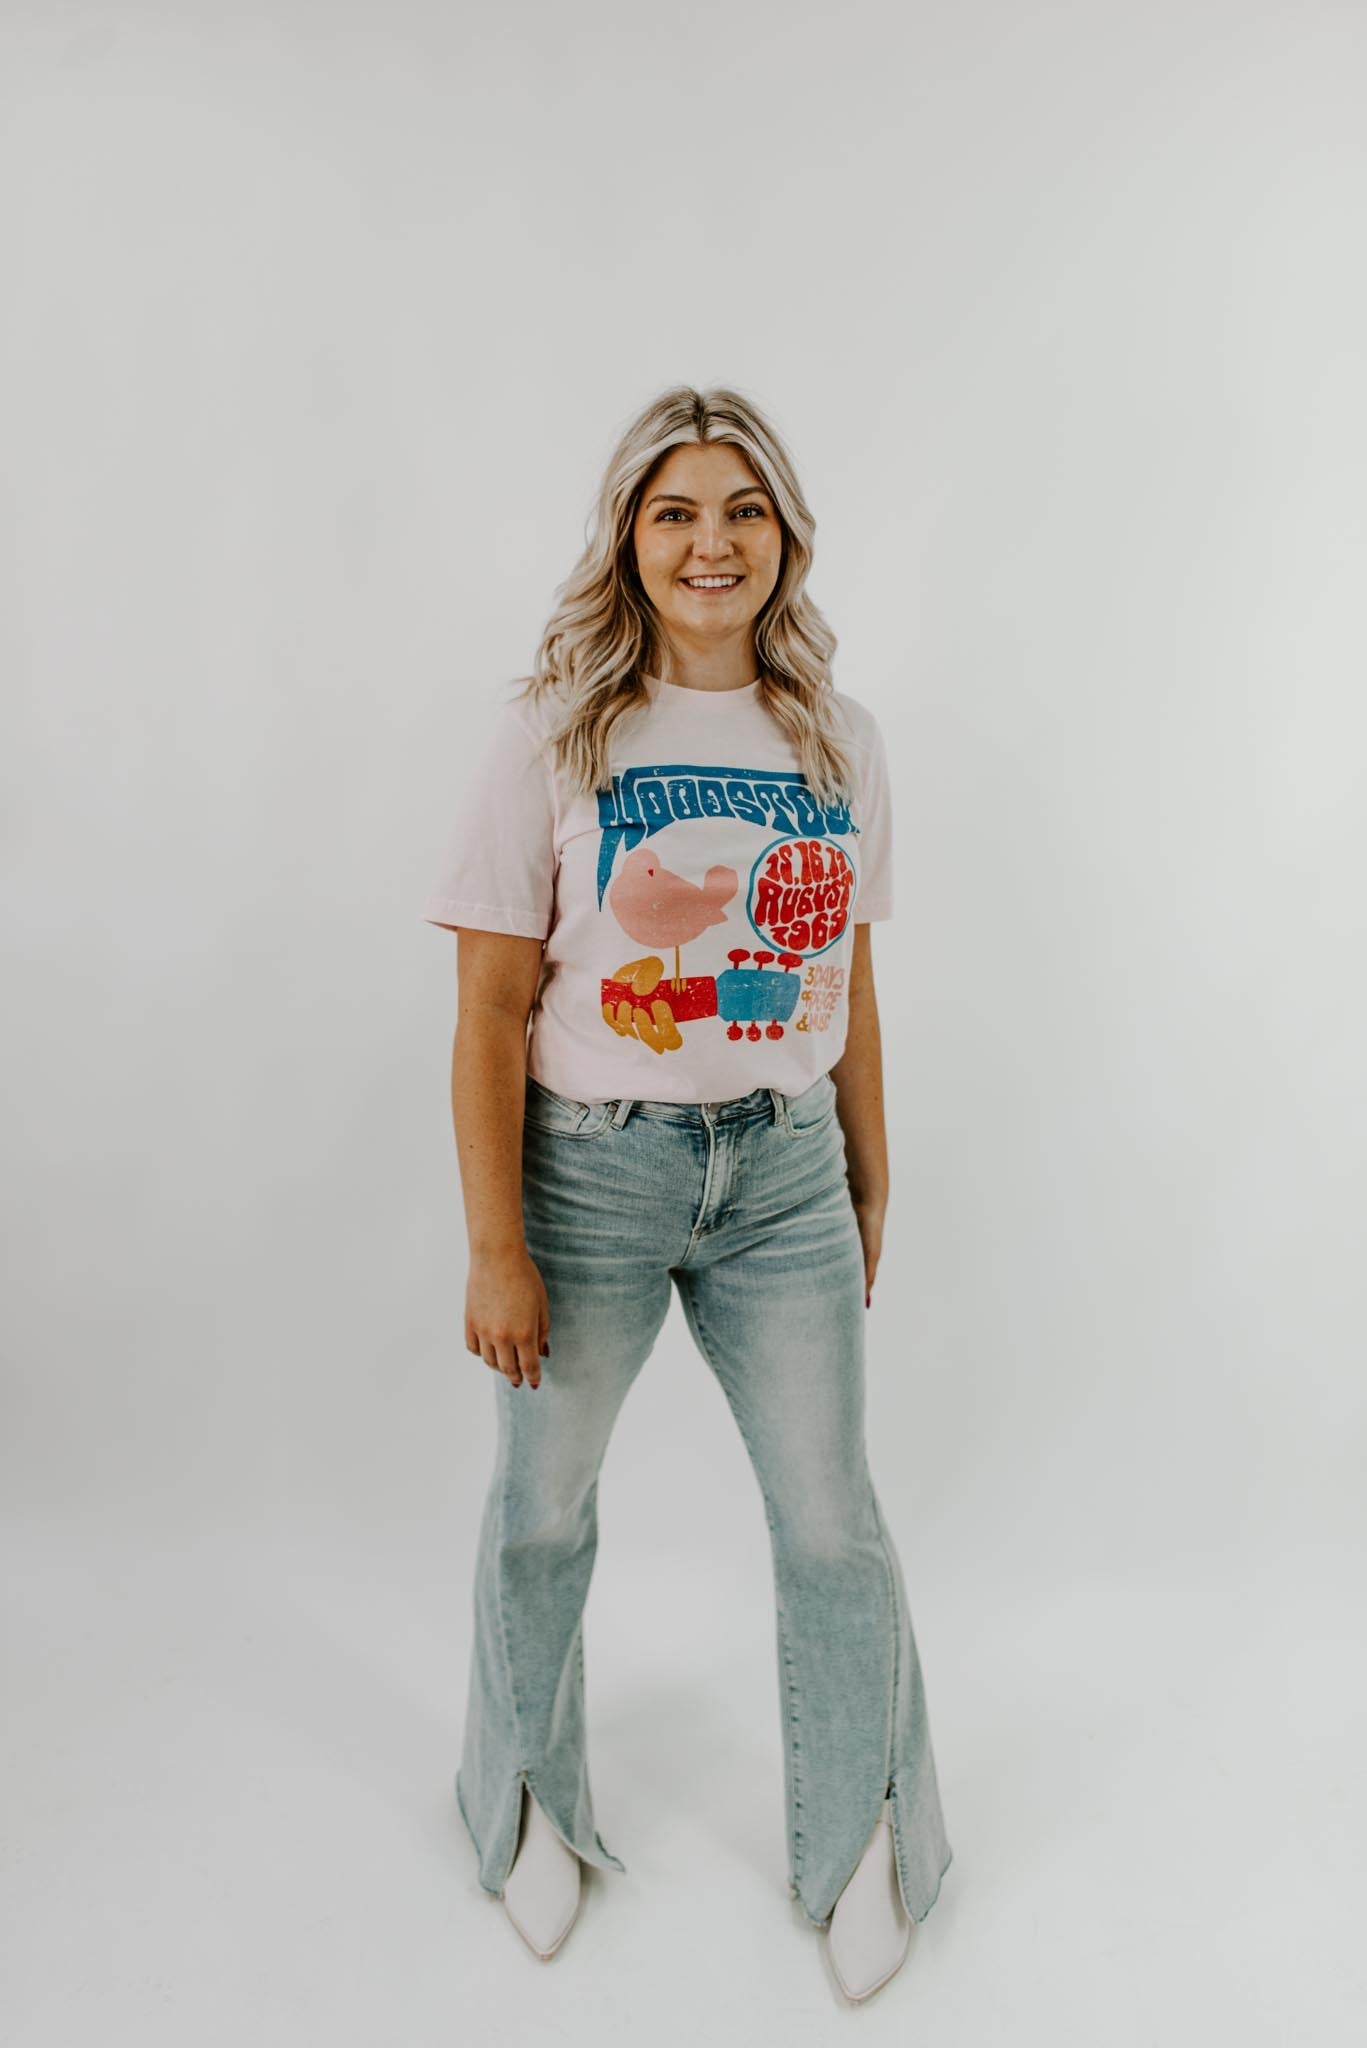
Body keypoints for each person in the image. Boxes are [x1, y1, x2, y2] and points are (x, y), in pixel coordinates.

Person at [420, 385, 952, 2001]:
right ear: (628, 540)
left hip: (784, 1174)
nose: (710, 543)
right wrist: (497, 1247)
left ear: (785, 537)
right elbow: (491, 1010)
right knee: (543, 1507)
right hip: (591, 1172)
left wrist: (868, 1169)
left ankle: (866, 1835)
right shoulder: (557, 730)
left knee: (832, 1520)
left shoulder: (839, 740)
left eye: (741, 510)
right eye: (675, 513)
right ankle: (526, 1803)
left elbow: (850, 975)